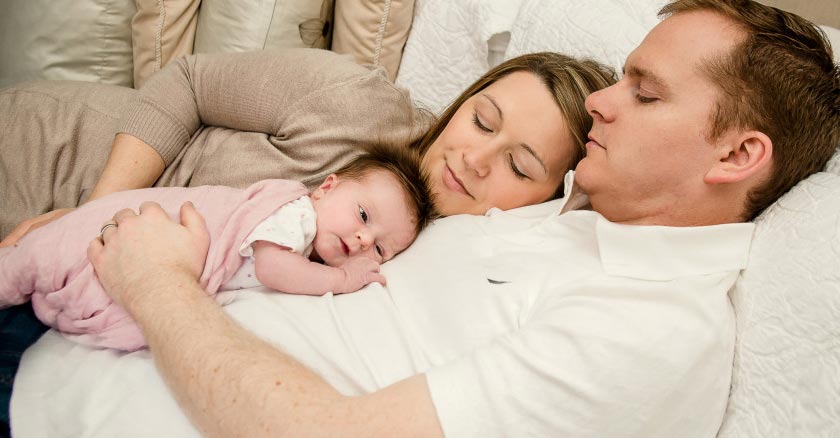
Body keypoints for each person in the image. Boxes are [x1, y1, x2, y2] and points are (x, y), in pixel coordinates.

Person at [13, 0, 836, 437]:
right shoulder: (569, 214)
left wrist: (157, 283)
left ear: (736, 158)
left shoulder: (650, 329)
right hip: (76, 322)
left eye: (644, 92)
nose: (603, 106)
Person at [0, 50, 616, 428]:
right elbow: (186, 82)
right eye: (482, 119)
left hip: (87, 290)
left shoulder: (431, 257)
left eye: (519, 166)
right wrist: (97, 208)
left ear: (546, 202)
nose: (476, 157)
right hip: (50, 163)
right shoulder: (357, 103)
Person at [0, 146, 433, 351]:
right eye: (362, 216)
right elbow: (269, 267)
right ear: (326, 188)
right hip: (124, 227)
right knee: (32, 262)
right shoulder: (293, 213)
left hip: (139, 252)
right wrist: (341, 278)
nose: (362, 240)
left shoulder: (307, 240)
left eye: (379, 250)